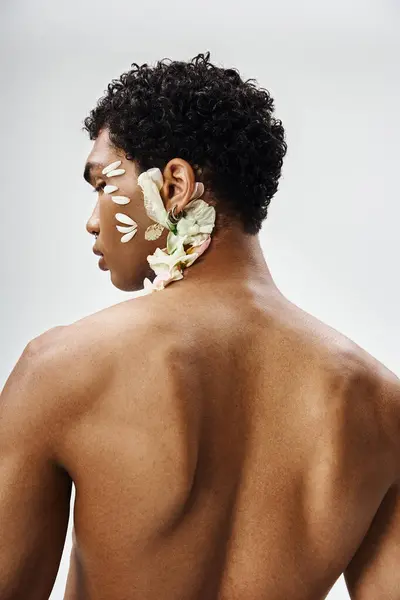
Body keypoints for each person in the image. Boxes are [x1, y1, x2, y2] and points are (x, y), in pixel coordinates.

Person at [0, 52, 399, 600]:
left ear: (175, 186)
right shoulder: (380, 403)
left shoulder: (60, 368)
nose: (92, 220)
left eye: (100, 184)